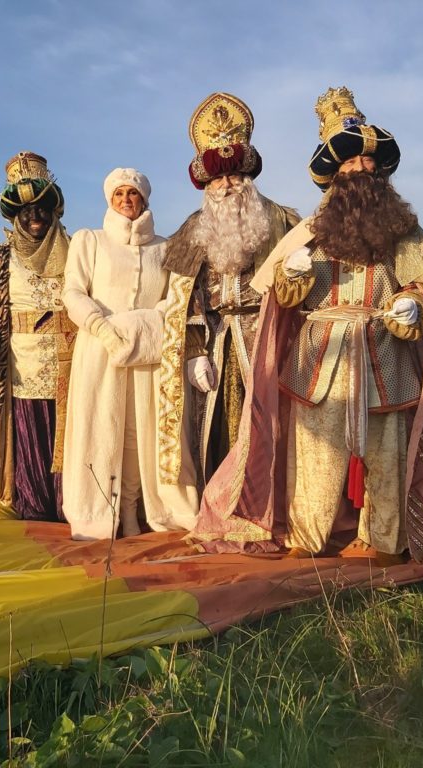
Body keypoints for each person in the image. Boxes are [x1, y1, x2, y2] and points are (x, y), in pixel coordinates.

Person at [192, 87, 423, 569]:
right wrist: (290, 277)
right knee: (315, 453)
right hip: (319, 362)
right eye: (349, 164)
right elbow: (282, 298)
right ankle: (307, 532)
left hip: (385, 356)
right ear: (333, 174)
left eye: (367, 162)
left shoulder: (404, 232)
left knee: (387, 455)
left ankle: (386, 538)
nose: (360, 170)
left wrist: (411, 307)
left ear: (380, 171)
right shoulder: (308, 232)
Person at [158, 92, 300, 488]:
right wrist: (192, 354)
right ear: (206, 183)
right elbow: (178, 301)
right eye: (218, 178)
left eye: (235, 175)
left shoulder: (282, 220)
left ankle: (272, 503)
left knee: (274, 425)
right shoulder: (193, 229)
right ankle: (221, 502)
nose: (227, 185)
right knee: (217, 427)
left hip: (271, 340)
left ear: (248, 176)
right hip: (218, 343)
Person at [62, 168, 199, 540]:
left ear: (145, 199)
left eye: (133, 193)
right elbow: (73, 292)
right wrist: (104, 329)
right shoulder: (89, 240)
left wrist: (147, 324)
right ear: (109, 199)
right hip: (100, 351)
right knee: (105, 429)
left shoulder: (166, 247)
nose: (126, 199)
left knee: (143, 433)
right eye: (119, 193)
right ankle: (100, 514)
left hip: (151, 353)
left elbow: (176, 300)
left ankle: (134, 509)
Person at [0, 151, 75, 521]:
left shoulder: (78, 251)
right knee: (30, 433)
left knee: (73, 433)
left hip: (73, 362)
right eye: (26, 211)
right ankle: (35, 503)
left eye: (41, 207)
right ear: (16, 216)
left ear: (54, 211)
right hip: (21, 364)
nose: (35, 216)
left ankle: (73, 504)